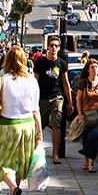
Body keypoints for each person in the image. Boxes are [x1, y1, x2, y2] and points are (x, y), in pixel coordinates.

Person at [0, 46, 42, 195]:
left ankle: (12, 188)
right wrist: (39, 132)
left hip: (8, 124)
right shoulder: (32, 81)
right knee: (19, 163)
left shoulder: (1, 79)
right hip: (27, 126)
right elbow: (35, 109)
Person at [35, 36, 72, 165]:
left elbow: (65, 83)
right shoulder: (40, 62)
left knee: (56, 125)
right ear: (48, 47)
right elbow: (36, 82)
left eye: (56, 46)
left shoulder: (62, 63)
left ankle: (55, 155)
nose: (54, 48)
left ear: (59, 48)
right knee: (41, 126)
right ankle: (38, 151)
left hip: (57, 97)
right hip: (43, 98)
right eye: (51, 45)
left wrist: (70, 102)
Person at [76, 58, 98, 173]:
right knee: (86, 137)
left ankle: (91, 164)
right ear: (88, 70)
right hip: (87, 113)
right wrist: (80, 115)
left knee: (93, 136)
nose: (95, 69)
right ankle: (85, 160)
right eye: (92, 67)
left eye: (96, 67)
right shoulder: (83, 82)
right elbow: (78, 99)